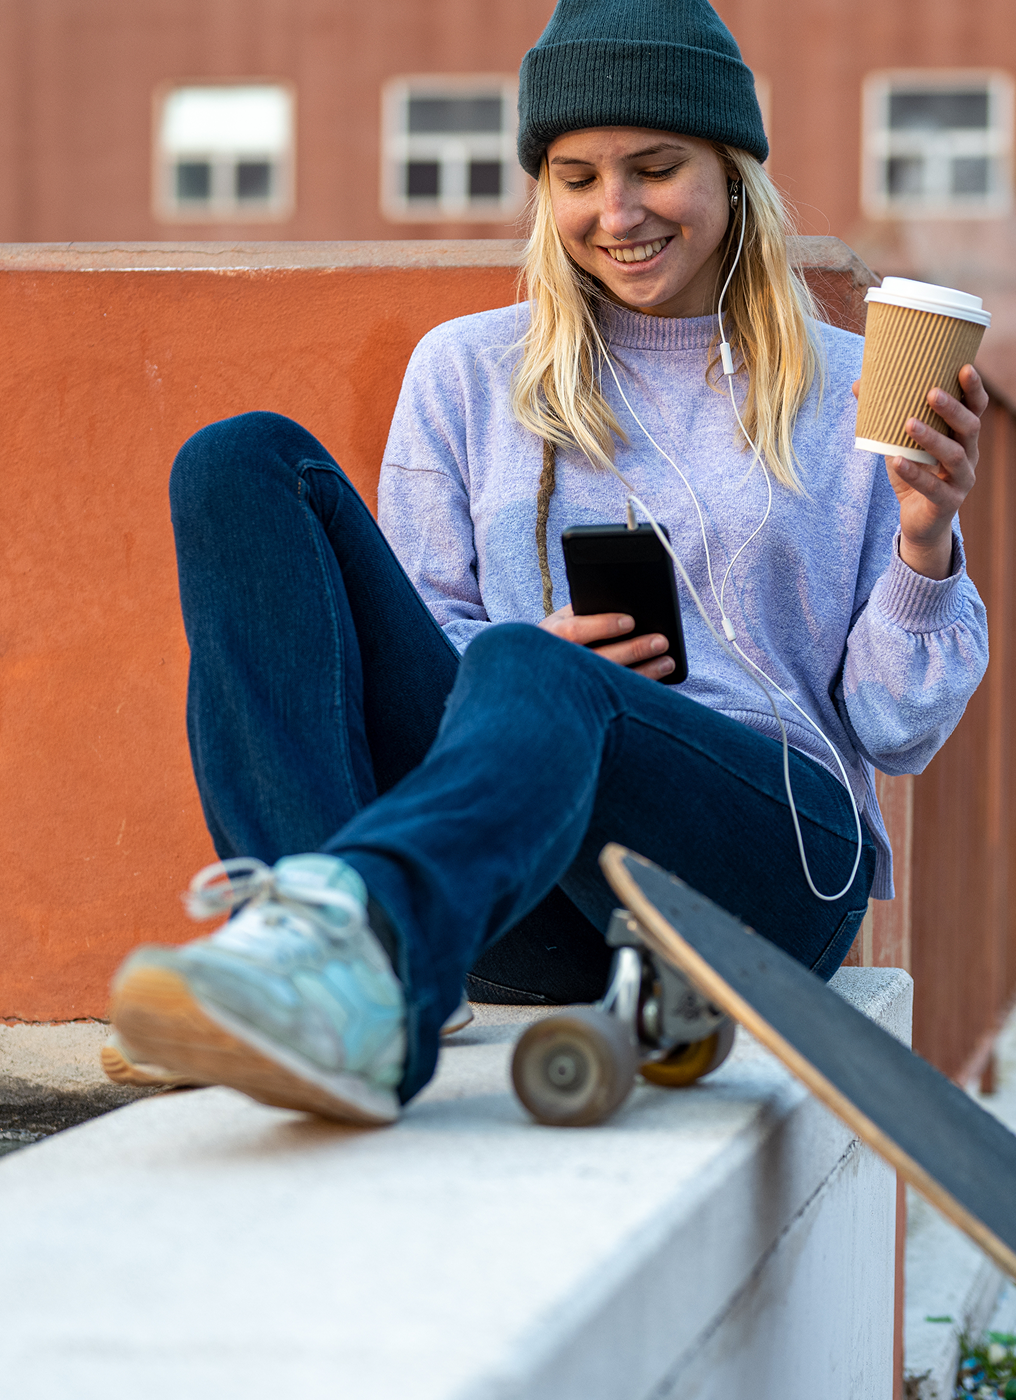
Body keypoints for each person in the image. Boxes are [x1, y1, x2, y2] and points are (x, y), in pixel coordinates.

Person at [106, 0, 989, 1125]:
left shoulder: (857, 383)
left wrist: (922, 540)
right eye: (575, 177)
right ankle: (315, 959)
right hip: (527, 885)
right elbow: (422, 645)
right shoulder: (467, 372)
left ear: (730, 172)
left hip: (761, 870)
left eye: (654, 168)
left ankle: (356, 952)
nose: (614, 212)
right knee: (238, 463)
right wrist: (519, 666)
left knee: (534, 666)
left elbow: (893, 728)